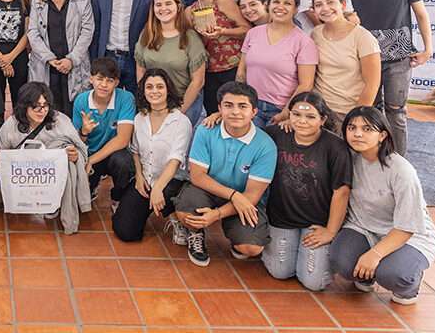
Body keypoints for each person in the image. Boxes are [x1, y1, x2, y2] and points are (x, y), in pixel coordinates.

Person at [330, 106, 435, 305]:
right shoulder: (348, 159)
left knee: (393, 273)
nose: (358, 133)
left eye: (367, 129)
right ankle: (365, 275)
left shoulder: (401, 170)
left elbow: (407, 227)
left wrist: (374, 254)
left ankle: (409, 285)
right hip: (363, 227)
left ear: (382, 135)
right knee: (341, 262)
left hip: (407, 234)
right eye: (352, 128)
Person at [346, 0, 432, 156]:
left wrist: (427, 49)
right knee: (368, 111)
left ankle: (398, 161)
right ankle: (369, 157)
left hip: (399, 58)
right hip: (365, 58)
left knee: (396, 112)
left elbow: (421, 15)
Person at [174, 81, 276, 267]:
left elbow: (252, 195)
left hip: (244, 199)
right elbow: (197, 176)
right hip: (209, 189)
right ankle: (195, 232)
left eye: (242, 106)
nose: (235, 112)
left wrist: (218, 214)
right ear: (219, 108)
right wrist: (232, 195)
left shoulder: (266, 145)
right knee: (184, 211)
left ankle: (235, 235)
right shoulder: (206, 130)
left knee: (251, 248)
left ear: (254, 112)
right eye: (228, 106)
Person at [261, 92, 351, 291]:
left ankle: (317, 253)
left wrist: (330, 231)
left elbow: (342, 192)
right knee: (280, 272)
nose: (302, 121)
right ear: (289, 115)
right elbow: (245, 131)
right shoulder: (276, 134)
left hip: (316, 224)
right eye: (296, 115)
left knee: (314, 282)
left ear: (323, 119)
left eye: (310, 117)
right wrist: (217, 117)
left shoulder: (335, 147)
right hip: (282, 219)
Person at [0, 83, 89, 230]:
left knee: (69, 167)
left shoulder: (60, 121)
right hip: (23, 176)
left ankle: (55, 204)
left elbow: (80, 149)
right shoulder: (12, 124)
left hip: (51, 176)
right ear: (25, 106)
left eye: (45, 105)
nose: (41, 111)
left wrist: (75, 157)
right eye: (36, 106)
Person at [111, 69, 192, 243]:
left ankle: (175, 215)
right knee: (125, 231)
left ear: (168, 90)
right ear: (143, 91)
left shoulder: (181, 121)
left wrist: (158, 189)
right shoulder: (140, 118)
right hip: (146, 179)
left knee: (169, 195)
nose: (154, 91)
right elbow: (135, 151)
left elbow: (175, 160)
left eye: (159, 87)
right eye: (149, 87)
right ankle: (146, 208)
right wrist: (139, 177)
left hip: (172, 182)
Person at [238, 0, 318, 126]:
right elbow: (241, 73)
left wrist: (287, 112)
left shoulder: (304, 42)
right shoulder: (253, 33)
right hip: (250, 106)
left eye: (287, 3)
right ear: (268, 5)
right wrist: (240, 103)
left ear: (296, 9)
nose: (280, 7)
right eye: (276, 2)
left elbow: (306, 84)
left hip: (279, 110)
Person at [183, 0, 251, 116]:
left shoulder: (222, 0)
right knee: (214, 113)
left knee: (236, 113)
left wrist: (223, 32)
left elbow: (247, 30)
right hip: (208, 72)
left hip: (233, 68)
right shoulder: (189, 11)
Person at [28, 0, 95, 115]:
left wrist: (71, 59)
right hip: (48, 66)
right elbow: (33, 32)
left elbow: (87, 30)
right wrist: (49, 59)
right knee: (47, 110)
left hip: (73, 65)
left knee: (75, 111)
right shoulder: (38, 1)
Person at [310, 0, 381, 125]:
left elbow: (372, 84)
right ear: (313, 10)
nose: (325, 8)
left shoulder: (363, 37)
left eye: (330, 2)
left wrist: (356, 118)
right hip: (317, 111)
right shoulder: (315, 34)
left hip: (347, 113)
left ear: (342, 4)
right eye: (318, 5)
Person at [135, 0, 208, 123]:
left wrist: (179, 112)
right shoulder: (147, 34)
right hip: (155, 103)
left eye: (168, 4)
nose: (163, 8)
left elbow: (198, 81)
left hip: (184, 104)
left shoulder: (190, 38)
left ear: (178, 7)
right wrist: (147, 99)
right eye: (158, 5)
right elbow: (141, 70)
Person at [71, 57, 136, 203]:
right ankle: (91, 186)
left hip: (113, 153)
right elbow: (76, 141)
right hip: (89, 151)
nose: (104, 85)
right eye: (100, 79)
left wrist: (91, 161)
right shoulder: (81, 100)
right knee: (80, 198)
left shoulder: (126, 98)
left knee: (124, 163)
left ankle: (118, 198)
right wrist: (84, 132)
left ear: (117, 83)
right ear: (91, 79)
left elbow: (123, 139)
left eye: (110, 80)